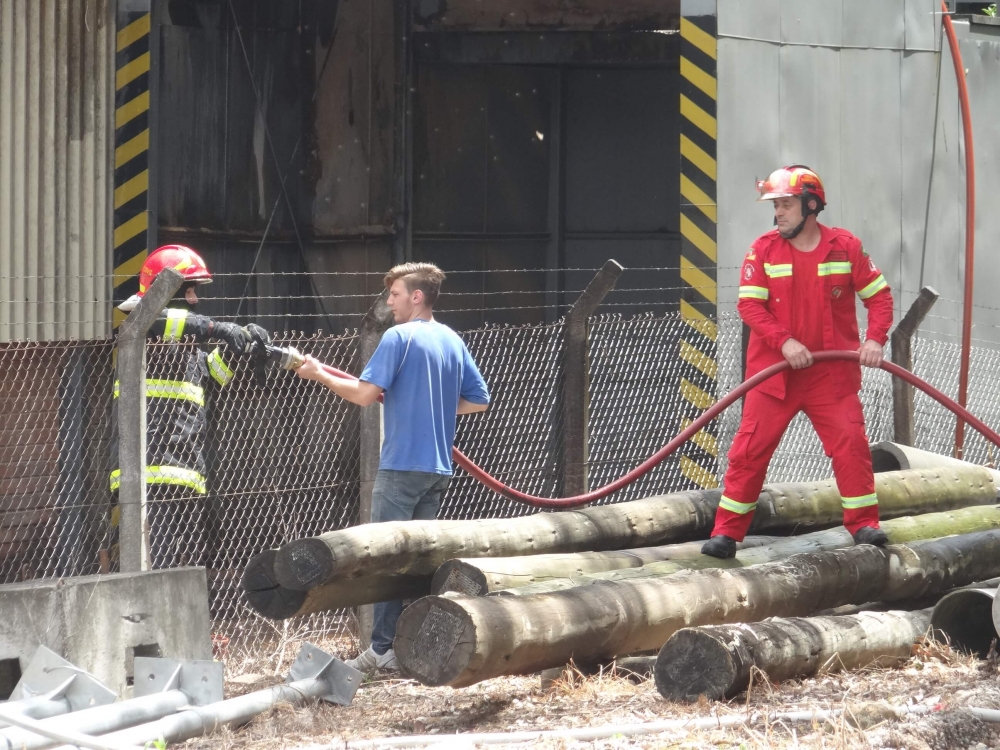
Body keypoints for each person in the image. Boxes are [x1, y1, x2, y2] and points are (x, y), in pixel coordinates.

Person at [295, 262, 490, 671]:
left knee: (386, 561)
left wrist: (317, 375)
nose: (390, 301)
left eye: (395, 293)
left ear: (416, 296)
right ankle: (413, 646)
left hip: (401, 467)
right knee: (418, 562)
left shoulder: (398, 337)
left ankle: (383, 649)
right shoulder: (452, 340)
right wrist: (431, 406)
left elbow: (365, 395)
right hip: (437, 470)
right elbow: (479, 400)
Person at [701, 165, 894, 560]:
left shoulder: (846, 248)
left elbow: (880, 297)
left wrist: (875, 339)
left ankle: (864, 525)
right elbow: (750, 306)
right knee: (749, 452)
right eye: (776, 206)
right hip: (775, 379)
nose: (778, 213)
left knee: (851, 447)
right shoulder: (763, 250)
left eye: (785, 204)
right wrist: (784, 342)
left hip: (831, 378)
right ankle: (726, 534)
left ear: (811, 205)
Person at [111, 244, 270, 568]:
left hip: (184, 469)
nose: (195, 299)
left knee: (181, 569)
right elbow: (158, 317)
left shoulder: (184, 342)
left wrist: (241, 345)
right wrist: (217, 328)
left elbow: (212, 377)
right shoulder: (140, 326)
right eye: (188, 290)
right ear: (161, 289)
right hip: (148, 472)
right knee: (157, 565)